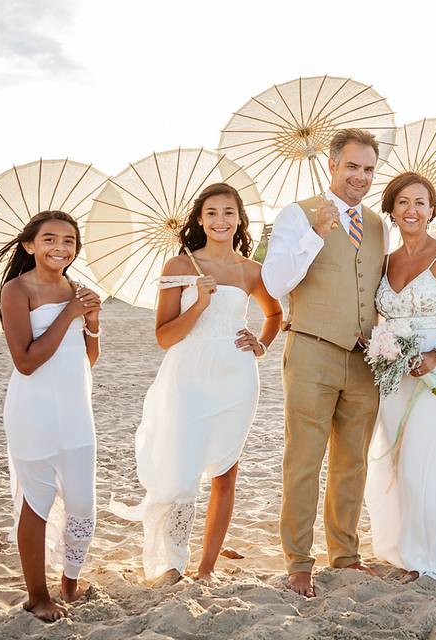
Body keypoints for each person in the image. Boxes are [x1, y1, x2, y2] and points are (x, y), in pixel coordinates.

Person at [110, 183, 282, 585]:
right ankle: (172, 563)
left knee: (225, 473)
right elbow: (164, 337)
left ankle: (205, 569)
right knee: (182, 468)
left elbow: (275, 315)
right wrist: (201, 302)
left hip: (236, 378)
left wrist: (261, 344)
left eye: (228, 212)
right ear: (200, 219)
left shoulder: (250, 270)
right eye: (212, 213)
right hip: (187, 377)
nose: (220, 220)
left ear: (240, 218)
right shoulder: (179, 267)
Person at [262, 128, 388, 598]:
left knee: (352, 462)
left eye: (369, 169)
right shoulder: (296, 215)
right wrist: (316, 234)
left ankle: (346, 554)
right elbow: (275, 283)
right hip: (312, 348)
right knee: (303, 460)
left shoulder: (378, 225)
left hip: (365, 358)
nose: (360, 176)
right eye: (352, 166)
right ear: (333, 165)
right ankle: (297, 561)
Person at [0, 210, 102, 622]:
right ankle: (37, 595)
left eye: (68, 241)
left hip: (76, 410)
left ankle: (70, 578)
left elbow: (88, 360)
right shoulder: (17, 290)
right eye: (49, 239)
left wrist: (93, 322)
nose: (60, 248)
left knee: (83, 503)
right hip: (33, 410)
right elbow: (26, 361)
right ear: (30, 245)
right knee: (37, 502)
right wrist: (69, 314)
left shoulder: (78, 289)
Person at [365, 172, 436, 585]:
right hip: (392, 371)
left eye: (420, 202)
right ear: (392, 210)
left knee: (420, 465)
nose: (412, 210)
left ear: (432, 210)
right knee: (393, 462)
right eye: (403, 202)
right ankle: (404, 552)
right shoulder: (386, 261)